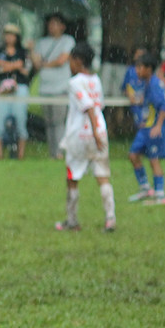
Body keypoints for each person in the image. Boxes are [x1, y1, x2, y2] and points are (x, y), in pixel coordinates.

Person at [54, 42, 115, 233]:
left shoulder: (75, 82)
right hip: (100, 132)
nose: (69, 65)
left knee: (72, 177)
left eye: (71, 60)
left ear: (78, 61)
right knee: (103, 175)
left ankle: (72, 221)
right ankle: (110, 218)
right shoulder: (96, 80)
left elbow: (88, 106)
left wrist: (93, 131)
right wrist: (98, 131)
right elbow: (98, 106)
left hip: (80, 135)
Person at [28, 12, 75, 159]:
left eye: (55, 23)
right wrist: (32, 50)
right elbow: (36, 64)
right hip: (45, 89)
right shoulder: (42, 43)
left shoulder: (68, 41)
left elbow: (61, 60)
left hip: (60, 89)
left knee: (59, 122)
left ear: (62, 26)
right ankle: (52, 152)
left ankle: (60, 151)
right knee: (49, 123)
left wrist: (45, 64)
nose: (51, 26)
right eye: (50, 23)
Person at [126, 53, 165, 205]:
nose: (137, 70)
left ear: (149, 69)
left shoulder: (155, 84)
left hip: (153, 129)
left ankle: (160, 195)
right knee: (133, 155)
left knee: (154, 160)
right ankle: (145, 188)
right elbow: (149, 103)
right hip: (145, 129)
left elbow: (164, 106)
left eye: (140, 67)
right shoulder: (147, 83)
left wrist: (159, 126)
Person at [0, 23, 31, 160]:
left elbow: (22, 66)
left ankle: (20, 155)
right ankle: (0, 155)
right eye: (7, 34)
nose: (9, 38)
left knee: (20, 119)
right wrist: (12, 66)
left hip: (19, 88)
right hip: (1, 88)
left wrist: (2, 66)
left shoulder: (22, 51)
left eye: (12, 35)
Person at [121, 46, 148, 134]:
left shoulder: (148, 72)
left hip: (146, 104)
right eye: (138, 54)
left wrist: (145, 96)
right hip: (135, 105)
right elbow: (125, 87)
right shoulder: (130, 70)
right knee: (141, 126)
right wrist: (130, 95)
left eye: (142, 55)